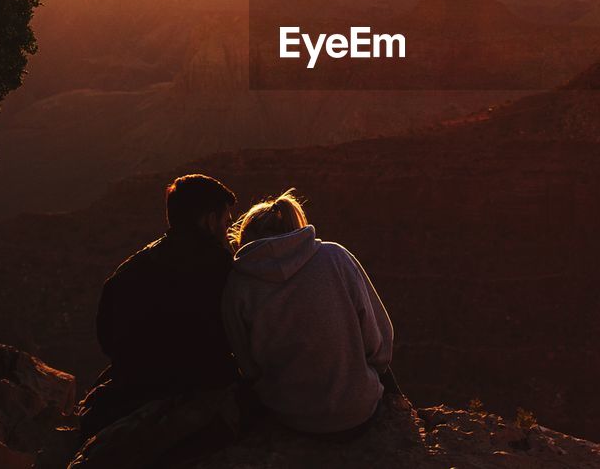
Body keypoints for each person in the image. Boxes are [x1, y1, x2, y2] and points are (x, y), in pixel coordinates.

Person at [222, 189, 399, 436]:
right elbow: (378, 337)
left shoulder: (239, 283)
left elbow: (248, 367)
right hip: (358, 411)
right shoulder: (336, 256)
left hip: (289, 417)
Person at [78, 173, 239, 440]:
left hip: (134, 388)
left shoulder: (128, 271)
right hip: (200, 388)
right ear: (210, 221)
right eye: (225, 222)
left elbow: (107, 338)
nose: (227, 232)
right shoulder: (224, 269)